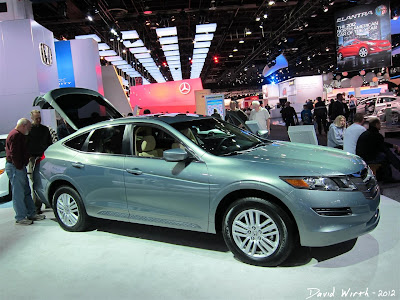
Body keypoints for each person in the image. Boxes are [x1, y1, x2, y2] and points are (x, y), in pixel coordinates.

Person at [5, 118, 46, 225]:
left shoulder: (18, 135)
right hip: (15, 167)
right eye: (29, 127)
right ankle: (20, 217)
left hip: (18, 167)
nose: (30, 129)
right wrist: (19, 166)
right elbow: (14, 153)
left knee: (26, 191)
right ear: (23, 126)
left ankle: (31, 213)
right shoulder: (16, 135)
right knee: (19, 193)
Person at [27, 110, 53, 214]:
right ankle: (37, 206)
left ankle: (47, 201)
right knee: (35, 181)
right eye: (36, 118)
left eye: (39, 118)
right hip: (33, 158)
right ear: (32, 118)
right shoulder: (29, 130)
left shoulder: (45, 129)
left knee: (47, 179)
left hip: (43, 157)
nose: (38, 120)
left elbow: (49, 143)